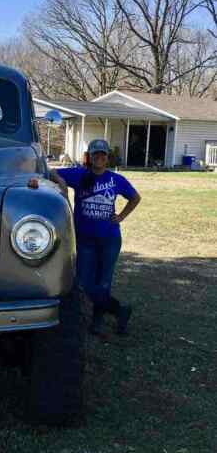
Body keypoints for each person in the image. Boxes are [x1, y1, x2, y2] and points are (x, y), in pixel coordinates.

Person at [45, 139, 141, 336]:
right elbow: (48, 172)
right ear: (89, 156)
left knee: (104, 282)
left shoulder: (116, 179)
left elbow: (135, 197)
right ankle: (119, 310)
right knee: (83, 282)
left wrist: (121, 216)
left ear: (107, 158)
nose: (99, 157)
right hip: (85, 239)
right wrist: (61, 181)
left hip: (109, 239)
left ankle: (97, 322)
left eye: (103, 154)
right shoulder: (79, 174)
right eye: (96, 154)